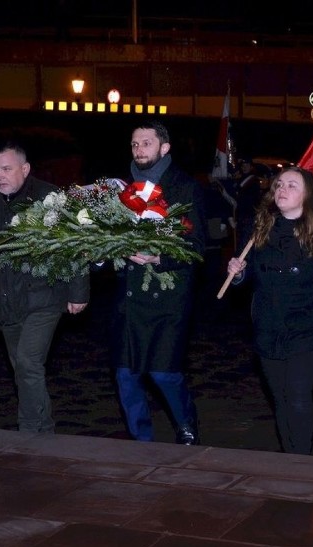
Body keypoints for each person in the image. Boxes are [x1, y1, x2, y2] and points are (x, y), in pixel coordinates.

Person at [225, 166, 313, 455]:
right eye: (279, 184)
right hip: (269, 327)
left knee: (297, 395)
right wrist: (239, 273)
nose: (282, 189)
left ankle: (301, 459)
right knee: (280, 399)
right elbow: (247, 282)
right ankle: (289, 456)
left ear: (307, 195)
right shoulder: (260, 229)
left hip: (309, 328)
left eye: (292, 185)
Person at [0, 141, 89, 433]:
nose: (0, 176)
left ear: (25, 169)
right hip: (6, 298)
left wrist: (78, 292)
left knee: (27, 361)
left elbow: (75, 245)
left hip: (45, 296)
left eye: (7, 169)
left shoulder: (49, 197)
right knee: (21, 368)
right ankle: (42, 427)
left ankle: (31, 431)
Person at [111, 120, 207, 445]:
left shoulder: (185, 188)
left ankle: (186, 424)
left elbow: (196, 246)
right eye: (135, 144)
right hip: (130, 298)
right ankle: (142, 441)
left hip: (169, 299)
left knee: (163, 372)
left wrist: (157, 257)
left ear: (164, 148)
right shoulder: (120, 192)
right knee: (126, 375)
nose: (139, 150)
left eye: (146, 143)